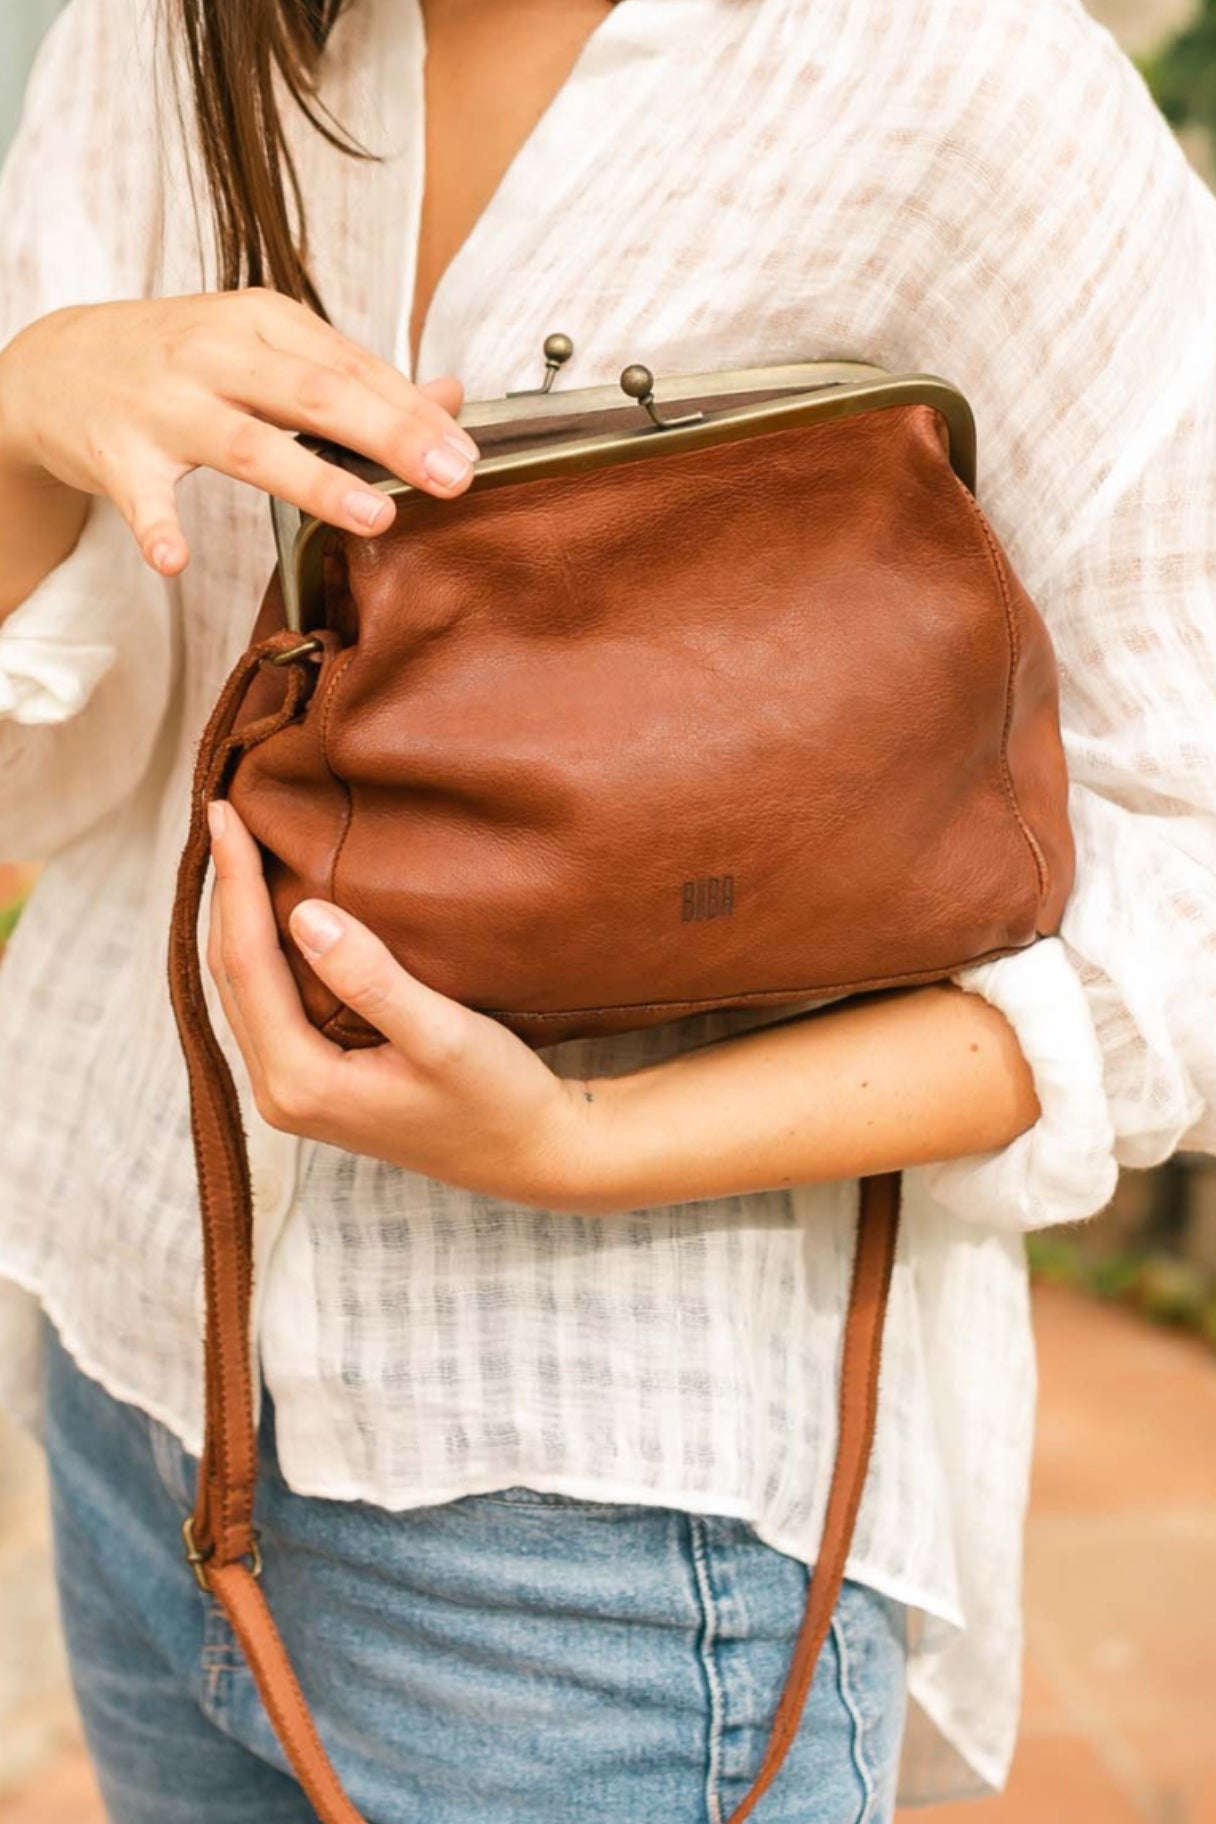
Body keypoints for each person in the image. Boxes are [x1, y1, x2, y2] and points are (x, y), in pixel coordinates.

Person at [1, 0, 1214, 1819]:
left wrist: (582, 1136)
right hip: (130, 1363)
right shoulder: (176, 29)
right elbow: (66, 769)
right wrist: (24, 420)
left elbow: (1180, 911)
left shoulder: (961, 74)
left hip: (608, 1531)